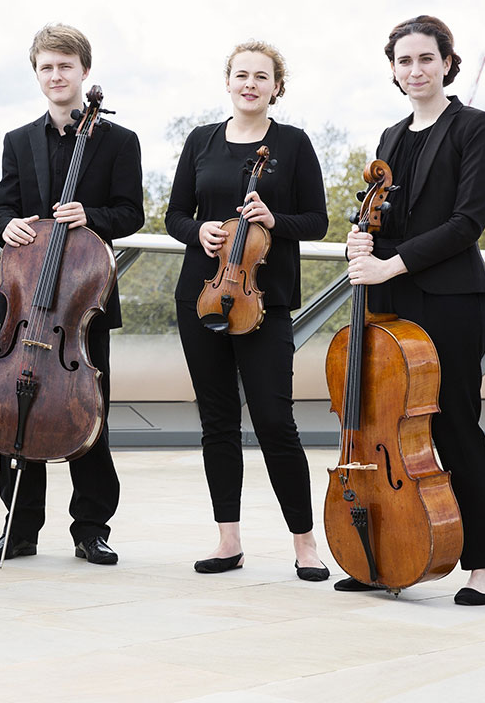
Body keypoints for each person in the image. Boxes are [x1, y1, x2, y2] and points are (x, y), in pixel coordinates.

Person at [339, 15, 485, 604]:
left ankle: (483, 563)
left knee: (455, 423)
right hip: (391, 292)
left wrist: (390, 263)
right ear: (393, 70)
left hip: (451, 298)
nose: (415, 70)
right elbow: (384, 221)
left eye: (426, 59)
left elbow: (466, 222)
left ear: (447, 63)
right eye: (404, 61)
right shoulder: (390, 138)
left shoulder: (474, 127)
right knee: (384, 425)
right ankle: (381, 552)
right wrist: (362, 242)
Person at [0, 23, 143, 565]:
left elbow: (131, 213)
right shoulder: (18, 140)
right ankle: (19, 527)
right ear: (37, 74)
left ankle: (91, 528)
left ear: (84, 72)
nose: (56, 75)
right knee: (14, 409)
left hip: (81, 305)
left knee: (86, 409)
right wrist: (8, 226)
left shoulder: (120, 141)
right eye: (46, 67)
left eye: (65, 66)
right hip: (27, 303)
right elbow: (2, 208)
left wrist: (90, 216)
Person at [165, 41, 330, 581]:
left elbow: (318, 221)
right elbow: (173, 216)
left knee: (275, 421)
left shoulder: (294, 144)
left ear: (276, 87)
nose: (251, 84)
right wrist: (200, 231)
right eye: (242, 75)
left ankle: (305, 545)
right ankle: (227, 541)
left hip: (265, 300)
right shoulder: (201, 141)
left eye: (262, 76)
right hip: (204, 294)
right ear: (229, 82)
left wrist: (275, 219)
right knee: (217, 422)